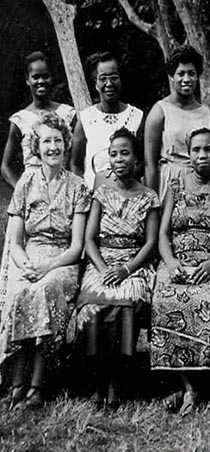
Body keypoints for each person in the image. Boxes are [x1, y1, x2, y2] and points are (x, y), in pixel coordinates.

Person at [150, 126, 210, 416]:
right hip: (178, 261)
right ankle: (188, 385)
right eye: (196, 150)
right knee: (164, 298)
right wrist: (170, 263)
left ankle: (195, 385)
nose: (202, 155)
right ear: (188, 154)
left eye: (208, 149)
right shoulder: (176, 184)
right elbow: (163, 233)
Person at [0, 113, 90, 409]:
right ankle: (16, 383)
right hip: (28, 256)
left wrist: (47, 268)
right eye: (46, 141)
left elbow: (77, 247)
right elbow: (14, 241)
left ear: (66, 145)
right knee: (20, 290)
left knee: (45, 290)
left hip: (61, 260)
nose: (53, 147)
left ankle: (37, 385)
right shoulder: (26, 181)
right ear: (37, 147)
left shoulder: (78, 186)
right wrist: (25, 264)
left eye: (58, 141)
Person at [70, 128, 160, 409]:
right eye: (113, 154)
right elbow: (89, 238)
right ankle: (99, 381)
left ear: (136, 159)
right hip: (102, 260)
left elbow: (151, 243)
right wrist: (103, 267)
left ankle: (118, 383)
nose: (119, 159)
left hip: (135, 263)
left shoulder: (149, 196)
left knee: (127, 303)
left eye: (125, 153)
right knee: (93, 304)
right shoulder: (101, 193)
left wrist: (125, 270)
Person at [144, 45, 210, 202]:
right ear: (172, 77)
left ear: (198, 76)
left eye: (191, 73)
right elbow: (150, 164)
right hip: (169, 182)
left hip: (201, 183)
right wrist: (152, 203)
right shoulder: (160, 111)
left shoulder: (207, 113)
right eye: (181, 74)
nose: (186, 79)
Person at [1, 51, 75, 187]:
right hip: (33, 191)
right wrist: (22, 192)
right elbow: (5, 166)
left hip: (63, 188)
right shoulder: (20, 119)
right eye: (35, 77)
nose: (41, 81)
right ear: (27, 80)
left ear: (51, 78)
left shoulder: (67, 113)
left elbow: (76, 159)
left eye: (45, 76)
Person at [71, 52, 144, 189]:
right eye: (103, 78)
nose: (109, 84)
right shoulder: (86, 119)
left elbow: (142, 162)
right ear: (96, 84)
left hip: (128, 195)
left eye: (114, 77)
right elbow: (76, 165)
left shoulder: (136, 116)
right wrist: (85, 193)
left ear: (120, 80)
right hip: (93, 198)